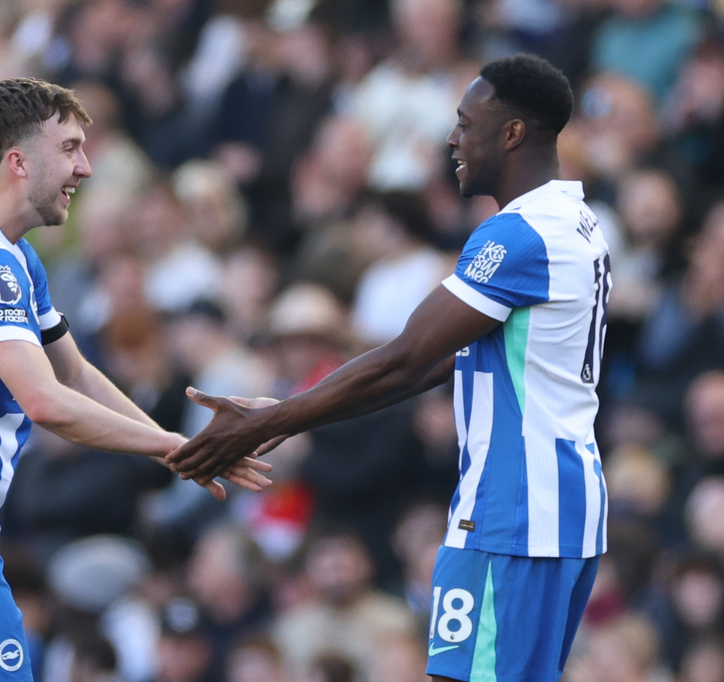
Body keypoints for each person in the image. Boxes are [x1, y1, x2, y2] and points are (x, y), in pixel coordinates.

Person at [167, 54, 611, 682]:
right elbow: (434, 365)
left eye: (465, 123)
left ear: (513, 133)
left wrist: (267, 423)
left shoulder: (521, 235)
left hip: (513, 508)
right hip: (562, 504)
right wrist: (285, 414)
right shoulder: (579, 225)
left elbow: (406, 358)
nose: (452, 139)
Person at [0, 77, 270, 682]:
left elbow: (76, 371)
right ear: (19, 161)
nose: (86, 167)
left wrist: (181, 447)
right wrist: (177, 446)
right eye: (69, 148)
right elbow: (46, 403)